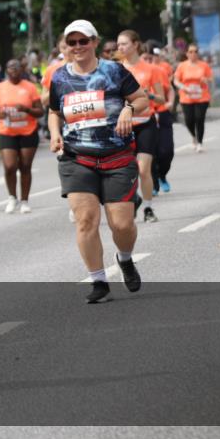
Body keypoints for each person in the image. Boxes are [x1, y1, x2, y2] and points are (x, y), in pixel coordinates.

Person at [48, 20, 149, 305]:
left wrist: (128, 109)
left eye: (83, 41)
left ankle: (125, 259)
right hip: (76, 158)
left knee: (122, 226)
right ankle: (99, 281)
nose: (77, 47)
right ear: (66, 46)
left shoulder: (113, 71)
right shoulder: (59, 78)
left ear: (94, 42)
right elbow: (54, 112)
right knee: (86, 220)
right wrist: (55, 134)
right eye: (72, 42)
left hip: (117, 157)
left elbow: (142, 100)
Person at [116, 31, 166, 223]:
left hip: (145, 123)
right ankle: (134, 198)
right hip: (124, 126)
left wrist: (149, 95)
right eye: (119, 44)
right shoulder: (116, 69)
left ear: (136, 45)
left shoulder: (151, 69)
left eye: (124, 44)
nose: (120, 48)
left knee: (143, 169)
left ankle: (148, 207)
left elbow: (161, 98)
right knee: (126, 170)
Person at [0, 59, 43, 214]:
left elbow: (40, 111)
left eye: (17, 67)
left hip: (28, 131)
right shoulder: (0, 88)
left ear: (21, 70)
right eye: (10, 67)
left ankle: (25, 201)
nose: (13, 70)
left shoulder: (30, 87)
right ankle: (12, 197)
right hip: (7, 131)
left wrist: (26, 109)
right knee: (10, 166)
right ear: (6, 70)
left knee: (25, 166)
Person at [143, 49, 175, 195]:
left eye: (149, 58)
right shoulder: (131, 73)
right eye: (144, 58)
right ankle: (154, 183)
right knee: (151, 153)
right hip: (145, 115)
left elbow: (170, 89)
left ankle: (162, 175)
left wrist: (171, 102)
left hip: (161, 112)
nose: (147, 61)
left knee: (166, 151)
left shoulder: (158, 71)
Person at [174, 44, 213, 152]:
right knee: (189, 120)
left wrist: (206, 80)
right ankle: (194, 136)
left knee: (199, 118)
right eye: (190, 52)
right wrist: (184, 87)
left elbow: (210, 78)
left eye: (195, 51)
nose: (193, 54)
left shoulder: (204, 65)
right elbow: (176, 81)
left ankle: (200, 143)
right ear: (186, 53)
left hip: (202, 96)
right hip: (187, 96)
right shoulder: (182, 66)